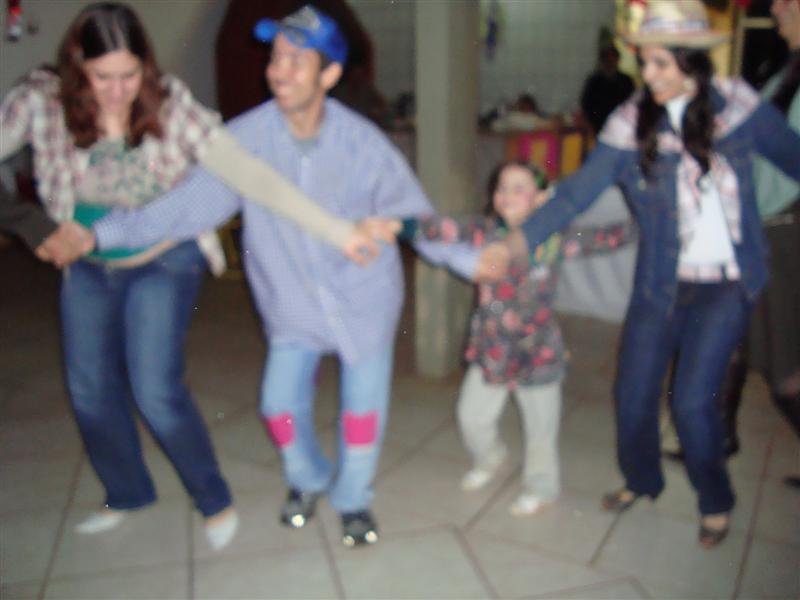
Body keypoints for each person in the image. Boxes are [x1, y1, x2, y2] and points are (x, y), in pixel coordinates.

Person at [79, 5, 507, 548]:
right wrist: (100, 235)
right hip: (292, 305)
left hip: (363, 302)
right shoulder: (247, 140)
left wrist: (467, 260)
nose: (278, 71)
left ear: (329, 74)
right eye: (276, 58)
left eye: (296, 61)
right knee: (278, 407)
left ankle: (353, 498)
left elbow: (413, 217)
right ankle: (308, 477)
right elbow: (188, 204)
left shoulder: (363, 145)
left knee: (361, 414)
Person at [0, 2, 391, 551]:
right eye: (102, 77)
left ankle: (212, 497)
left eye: (129, 75)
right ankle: (128, 492)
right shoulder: (41, 100)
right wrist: (33, 225)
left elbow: (249, 172)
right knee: (89, 390)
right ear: (76, 68)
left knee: (154, 388)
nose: (118, 92)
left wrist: (336, 231)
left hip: (165, 257)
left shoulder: (170, 102)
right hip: (87, 263)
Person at [518, 0, 800, 547]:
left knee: (692, 403)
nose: (647, 76)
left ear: (691, 61)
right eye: (643, 62)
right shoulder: (631, 122)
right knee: (632, 394)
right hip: (660, 283)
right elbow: (576, 194)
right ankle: (641, 480)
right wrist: (518, 241)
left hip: (727, 284)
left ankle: (715, 499)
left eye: (660, 64)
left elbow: (795, 157)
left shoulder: (738, 106)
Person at [398, 160, 634, 516]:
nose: (506, 194)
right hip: (492, 349)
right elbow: (443, 228)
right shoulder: (483, 231)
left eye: (518, 188)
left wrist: (647, 222)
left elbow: (603, 238)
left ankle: (542, 487)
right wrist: (400, 225)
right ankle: (492, 458)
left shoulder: (556, 238)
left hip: (537, 353)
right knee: (472, 416)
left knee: (541, 429)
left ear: (541, 198)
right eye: (501, 187)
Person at [665, 0, 800, 486]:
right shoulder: (786, 68)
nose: (776, 7)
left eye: (787, 0)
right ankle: (717, 437)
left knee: (784, 368)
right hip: (755, 225)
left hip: (780, 229)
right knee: (730, 339)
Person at [579, 44, 635, 137]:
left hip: (621, 125)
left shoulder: (626, 80)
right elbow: (586, 103)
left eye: (612, 60)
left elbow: (632, 102)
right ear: (602, 61)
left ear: (617, 60)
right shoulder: (594, 80)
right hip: (599, 125)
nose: (610, 63)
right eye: (607, 60)